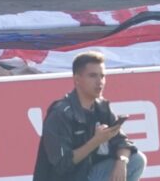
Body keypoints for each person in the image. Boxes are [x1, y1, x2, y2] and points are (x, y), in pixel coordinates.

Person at [32, 51, 145, 181]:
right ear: (77, 79)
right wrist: (96, 141)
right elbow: (62, 165)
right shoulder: (60, 113)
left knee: (136, 161)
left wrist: (122, 161)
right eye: (93, 76)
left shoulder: (102, 107)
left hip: (89, 174)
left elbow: (123, 143)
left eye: (102, 76)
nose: (99, 82)